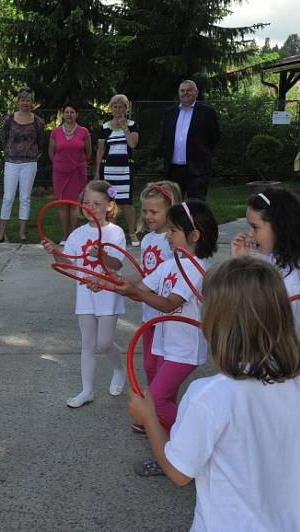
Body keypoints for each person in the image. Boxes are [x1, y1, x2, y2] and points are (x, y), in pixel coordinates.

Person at [128, 256, 300, 531]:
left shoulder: (207, 396)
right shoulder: (295, 386)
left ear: (215, 323)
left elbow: (179, 472)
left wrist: (148, 416)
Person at [106, 200, 218, 462]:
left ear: (194, 236)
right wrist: (108, 283)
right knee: (161, 398)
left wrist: (134, 291)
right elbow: (143, 288)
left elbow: (169, 304)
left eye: (173, 231)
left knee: (153, 402)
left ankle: (201, 441)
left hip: (186, 349)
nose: (167, 236)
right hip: (168, 344)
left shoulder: (196, 267)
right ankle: (174, 444)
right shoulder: (173, 263)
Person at [41, 180, 126, 408]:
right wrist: (55, 252)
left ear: (109, 206)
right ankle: (86, 390)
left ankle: (119, 368)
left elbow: (117, 264)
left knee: (105, 342)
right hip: (85, 295)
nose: (90, 208)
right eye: (86, 203)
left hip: (108, 293)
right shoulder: (77, 234)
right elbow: (68, 265)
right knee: (88, 344)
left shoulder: (115, 232)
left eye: (96, 204)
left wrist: (101, 256)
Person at [231, 186, 300, 330]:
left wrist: (240, 268)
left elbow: (251, 310)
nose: (250, 234)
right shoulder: (271, 257)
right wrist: (240, 261)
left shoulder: (291, 280)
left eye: (255, 227)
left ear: (279, 227)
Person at [136, 181, 181, 402]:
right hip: (149, 314)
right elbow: (145, 275)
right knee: (149, 364)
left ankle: (162, 407)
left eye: (154, 211)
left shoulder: (173, 242)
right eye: (145, 211)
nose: (148, 216)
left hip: (166, 315)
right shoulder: (146, 239)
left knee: (164, 365)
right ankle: (154, 408)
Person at [0, 87, 45, 243]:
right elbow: (3, 137)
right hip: (11, 163)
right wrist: (10, 151)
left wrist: (33, 153)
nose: (25, 102)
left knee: (25, 198)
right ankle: (1, 233)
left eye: (28, 100)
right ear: (18, 102)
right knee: (8, 198)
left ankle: (22, 232)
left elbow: (41, 140)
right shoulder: (9, 119)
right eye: (22, 100)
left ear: (32, 103)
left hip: (29, 163)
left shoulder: (38, 121)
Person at [158, 80, 220, 200]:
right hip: (173, 169)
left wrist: (202, 153)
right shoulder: (170, 112)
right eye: (182, 90)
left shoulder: (207, 112)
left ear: (196, 93)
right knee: (173, 205)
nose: (185, 93)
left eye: (189, 90)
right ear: (179, 93)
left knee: (196, 206)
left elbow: (214, 137)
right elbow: (164, 137)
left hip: (197, 169)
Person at [94, 94, 140, 246]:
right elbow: (100, 151)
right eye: (115, 106)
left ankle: (132, 234)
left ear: (126, 109)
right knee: (111, 202)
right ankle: (113, 235)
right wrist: (97, 172)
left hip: (125, 170)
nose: (118, 109)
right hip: (109, 171)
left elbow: (133, 144)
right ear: (111, 108)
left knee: (127, 203)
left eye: (121, 106)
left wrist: (125, 127)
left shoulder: (132, 125)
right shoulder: (105, 127)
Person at [48, 103, 92, 243]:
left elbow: (89, 152)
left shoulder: (84, 131)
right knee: (62, 204)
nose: (69, 114)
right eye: (66, 112)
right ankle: (65, 236)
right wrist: (58, 165)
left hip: (77, 172)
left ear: (76, 115)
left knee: (75, 204)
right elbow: (51, 152)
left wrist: (80, 163)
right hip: (60, 173)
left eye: (72, 112)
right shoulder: (55, 132)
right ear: (63, 114)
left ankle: (73, 236)